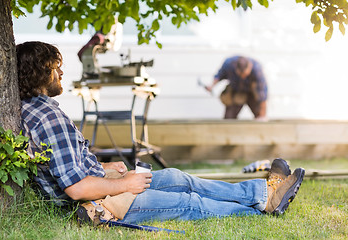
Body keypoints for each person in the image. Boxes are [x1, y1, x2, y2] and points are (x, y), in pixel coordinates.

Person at [17, 41, 304, 225]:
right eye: (56, 67)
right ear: (41, 72)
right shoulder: (49, 117)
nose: (62, 73)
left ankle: (263, 192)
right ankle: (264, 207)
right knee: (188, 203)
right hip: (100, 202)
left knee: (179, 178)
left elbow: (63, 166)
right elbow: (77, 188)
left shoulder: (35, 110)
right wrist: (124, 183)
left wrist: (104, 167)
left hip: (102, 183)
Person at [207, 56, 268, 120]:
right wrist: (212, 86)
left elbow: (262, 94)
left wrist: (262, 116)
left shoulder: (257, 69)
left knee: (260, 116)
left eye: (245, 74)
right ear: (236, 68)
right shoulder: (228, 64)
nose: (243, 77)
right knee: (229, 119)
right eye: (240, 75)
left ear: (249, 67)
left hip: (252, 92)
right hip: (236, 91)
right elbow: (219, 75)